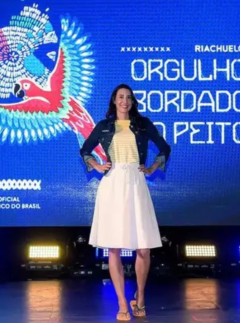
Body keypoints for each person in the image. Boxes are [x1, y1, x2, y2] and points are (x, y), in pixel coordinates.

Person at [80, 84, 171, 321]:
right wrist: (97, 165)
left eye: (128, 98)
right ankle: (122, 303)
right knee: (114, 247)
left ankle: (140, 298)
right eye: (121, 97)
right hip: (112, 185)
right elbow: (85, 150)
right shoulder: (104, 126)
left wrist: (152, 167)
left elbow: (164, 147)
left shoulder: (142, 124)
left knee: (143, 247)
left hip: (136, 182)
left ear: (132, 101)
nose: (125, 101)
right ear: (114, 100)